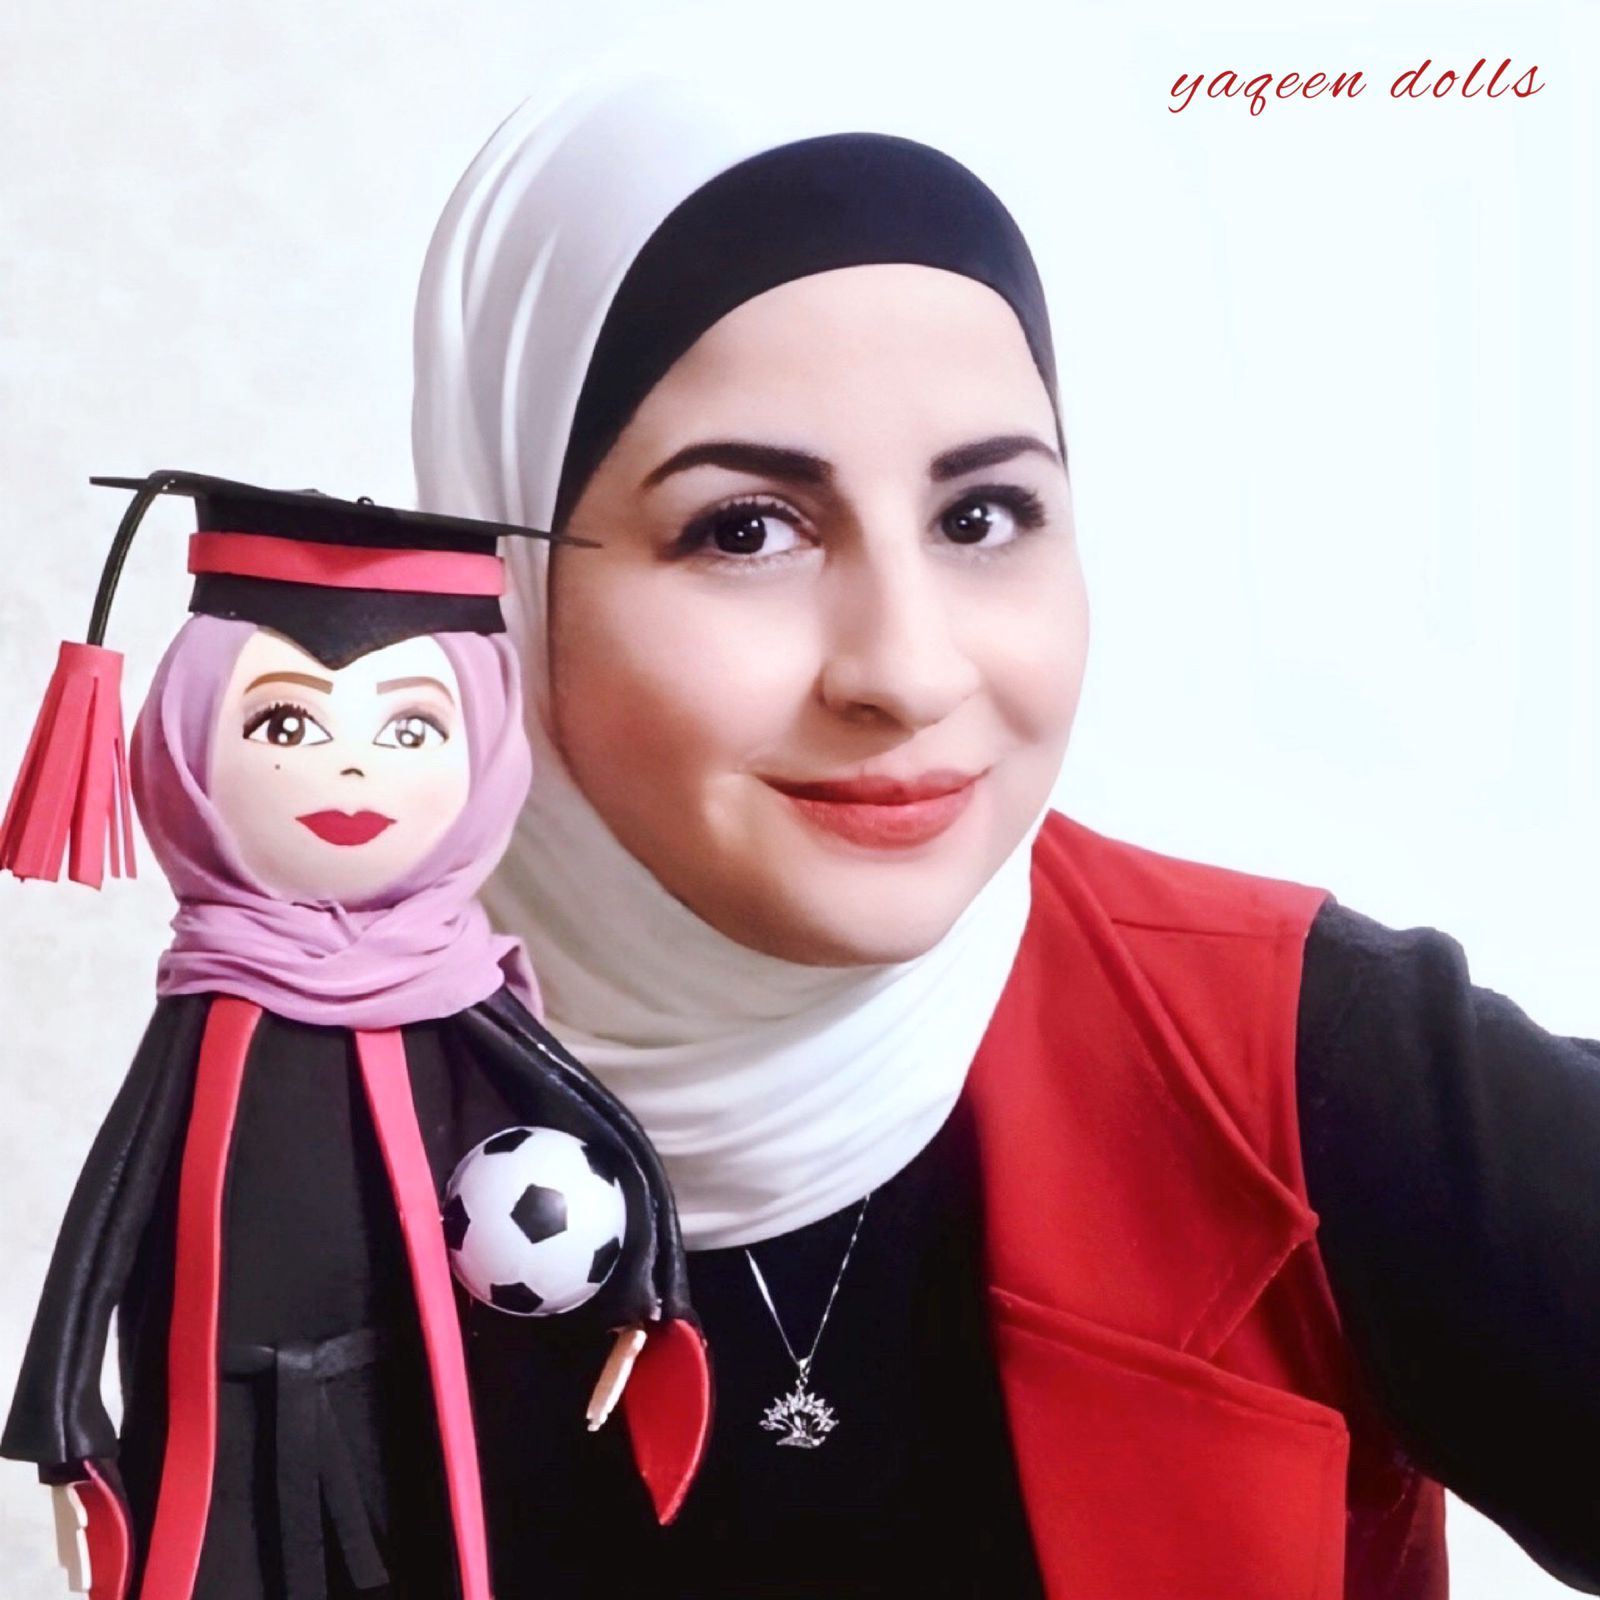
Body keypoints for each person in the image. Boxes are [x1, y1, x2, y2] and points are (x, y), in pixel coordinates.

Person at [412, 72, 1600, 1599]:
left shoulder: (1293, 1059)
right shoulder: (316, 1109)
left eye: (981, 517)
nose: (906, 671)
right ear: (507, 582)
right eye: (746, 528)